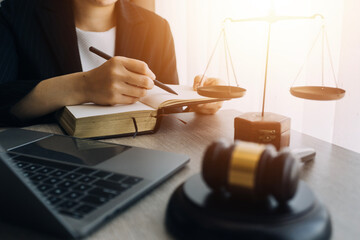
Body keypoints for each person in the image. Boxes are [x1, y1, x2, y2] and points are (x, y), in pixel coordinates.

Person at [0, 0, 222, 126]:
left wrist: (195, 102)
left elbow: (167, 105)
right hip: (48, 160)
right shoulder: (13, 16)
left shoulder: (157, 28)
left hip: (140, 156)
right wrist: (83, 86)